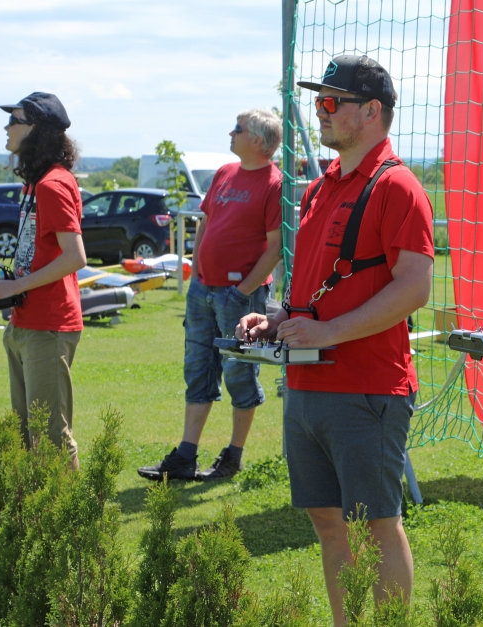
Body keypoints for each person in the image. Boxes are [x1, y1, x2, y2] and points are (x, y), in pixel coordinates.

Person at [238, 55, 434, 625]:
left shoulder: (397, 185)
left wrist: (329, 332)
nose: (319, 111)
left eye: (330, 102)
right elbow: (323, 286)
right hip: (307, 381)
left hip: (367, 387)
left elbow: (415, 287)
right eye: (317, 101)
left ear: (371, 111)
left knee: (376, 524)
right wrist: (279, 319)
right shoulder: (322, 185)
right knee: (327, 521)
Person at [137, 109, 284, 482]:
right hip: (203, 290)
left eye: (238, 129)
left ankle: (233, 456)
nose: (231, 133)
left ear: (258, 141)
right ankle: (185, 456)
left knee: (239, 374)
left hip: (240, 298)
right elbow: (205, 223)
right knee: (198, 369)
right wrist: (197, 274)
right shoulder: (224, 173)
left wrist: (241, 292)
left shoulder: (275, 184)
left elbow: (275, 249)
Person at [0, 92, 87, 468]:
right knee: (24, 437)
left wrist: (15, 287)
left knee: (51, 438)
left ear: (36, 129)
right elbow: (41, 255)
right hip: (25, 323)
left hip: (49, 327)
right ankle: (33, 506)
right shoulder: (35, 184)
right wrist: (1, 284)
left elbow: (75, 257)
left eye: (14, 120)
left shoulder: (52, 184)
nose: (6, 128)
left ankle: (67, 510)